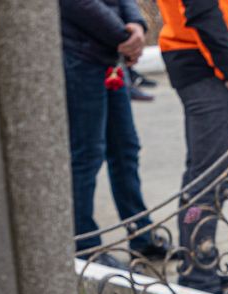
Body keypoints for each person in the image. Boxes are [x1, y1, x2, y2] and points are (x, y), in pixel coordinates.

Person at [155, 0, 228, 294]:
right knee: (208, 179)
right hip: (208, 62)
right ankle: (197, 272)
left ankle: (200, 261)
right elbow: (200, 8)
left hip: (205, 57)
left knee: (204, 175)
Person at [59, 0, 168, 262]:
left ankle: (141, 235)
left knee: (125, 148)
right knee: (86, 155)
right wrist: (122, 37)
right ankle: (86, 248)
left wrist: (137, 27)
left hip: (110, 57)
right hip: (80, 57)